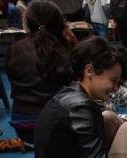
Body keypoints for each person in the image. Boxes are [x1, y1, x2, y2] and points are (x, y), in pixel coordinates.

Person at [6, 0, 76, 145]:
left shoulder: (13, 49)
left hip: (21, 122)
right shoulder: (63, 50)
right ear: (58, 22)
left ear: (28, 22)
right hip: (54, 122)